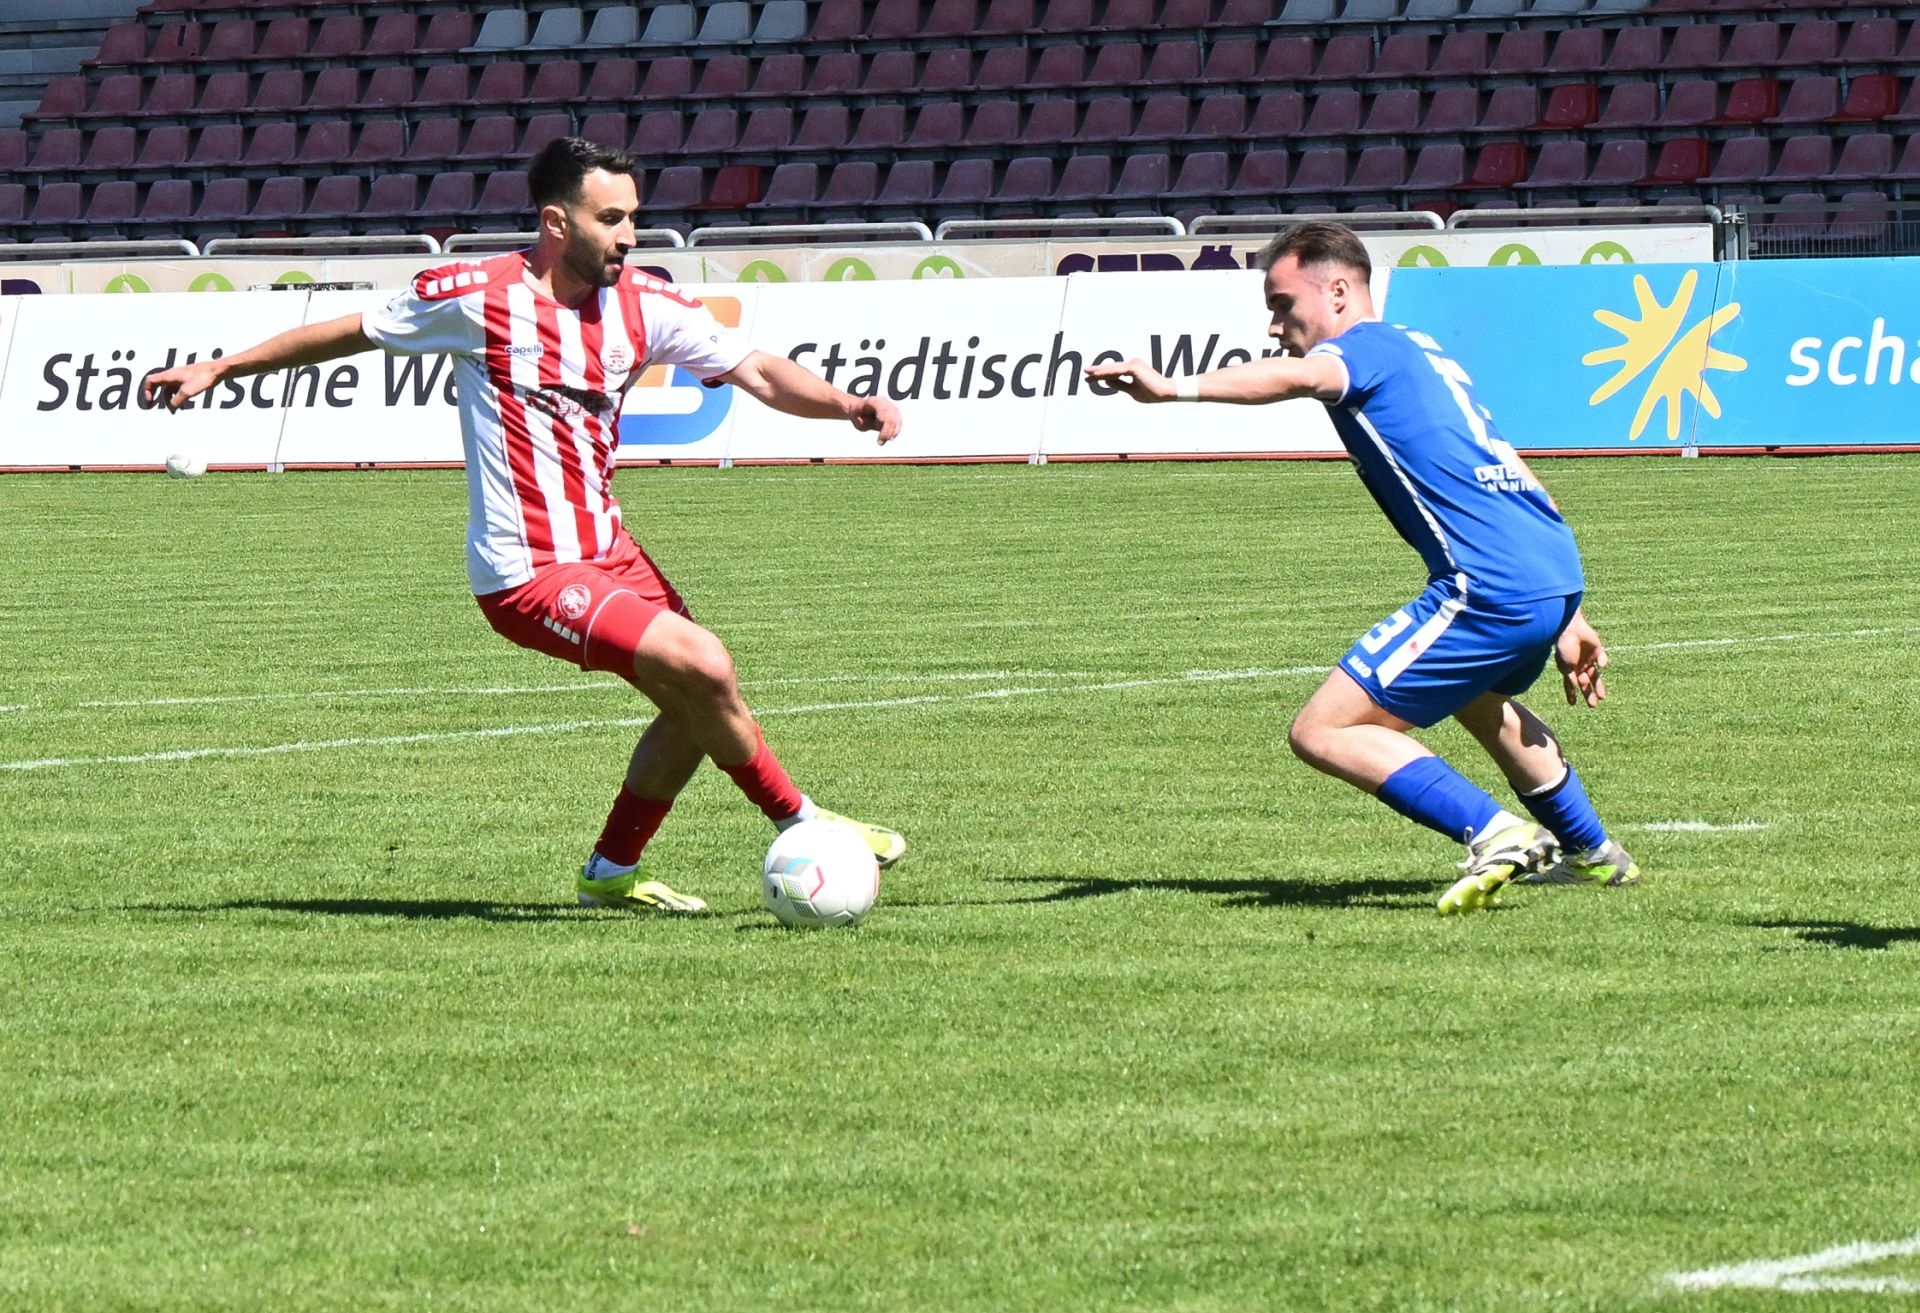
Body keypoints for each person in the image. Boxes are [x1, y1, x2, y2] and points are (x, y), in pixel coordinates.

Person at [142, 137, 906, 914]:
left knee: (693, 702)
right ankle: (804, 822)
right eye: (611, 219)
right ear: (555, 222)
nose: (630, 235)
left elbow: (759, 370)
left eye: (633, 217)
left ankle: (609, 873)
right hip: (528, 572)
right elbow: (354, 331)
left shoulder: (644, 304)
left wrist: (847, 404)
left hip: (610, 551)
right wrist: (221, 368)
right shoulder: (477, 297)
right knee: (705, 663)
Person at [1086, 220, 1638, 915]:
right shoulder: (1418, 349)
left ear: (1340, 292)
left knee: (1322, 730)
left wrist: (1172, 389)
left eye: (1283, 305)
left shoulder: (1359, 351)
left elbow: (1301, 376)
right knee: (1476, 699)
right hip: (1546, 567)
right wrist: (1569, 611)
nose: (1275, 326)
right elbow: (1515, 473)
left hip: (1488, 584)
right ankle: (1594, 855)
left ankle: (1497, 832)